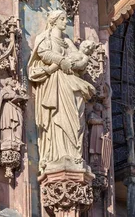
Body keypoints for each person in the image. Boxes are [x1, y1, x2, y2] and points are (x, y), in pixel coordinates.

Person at [28, 9, 95, 173]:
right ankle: (56, 155)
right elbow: (43, 53)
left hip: (70, 81)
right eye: (63, 19)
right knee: (58, 116)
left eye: (66, 19)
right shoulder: (44, 38)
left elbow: (77, 57)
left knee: (76, 111)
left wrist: (81, 59)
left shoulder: (67, 41)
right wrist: (61, 60)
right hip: (55, 82)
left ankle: (73, 154)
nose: (66, 22)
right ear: (54, 21)